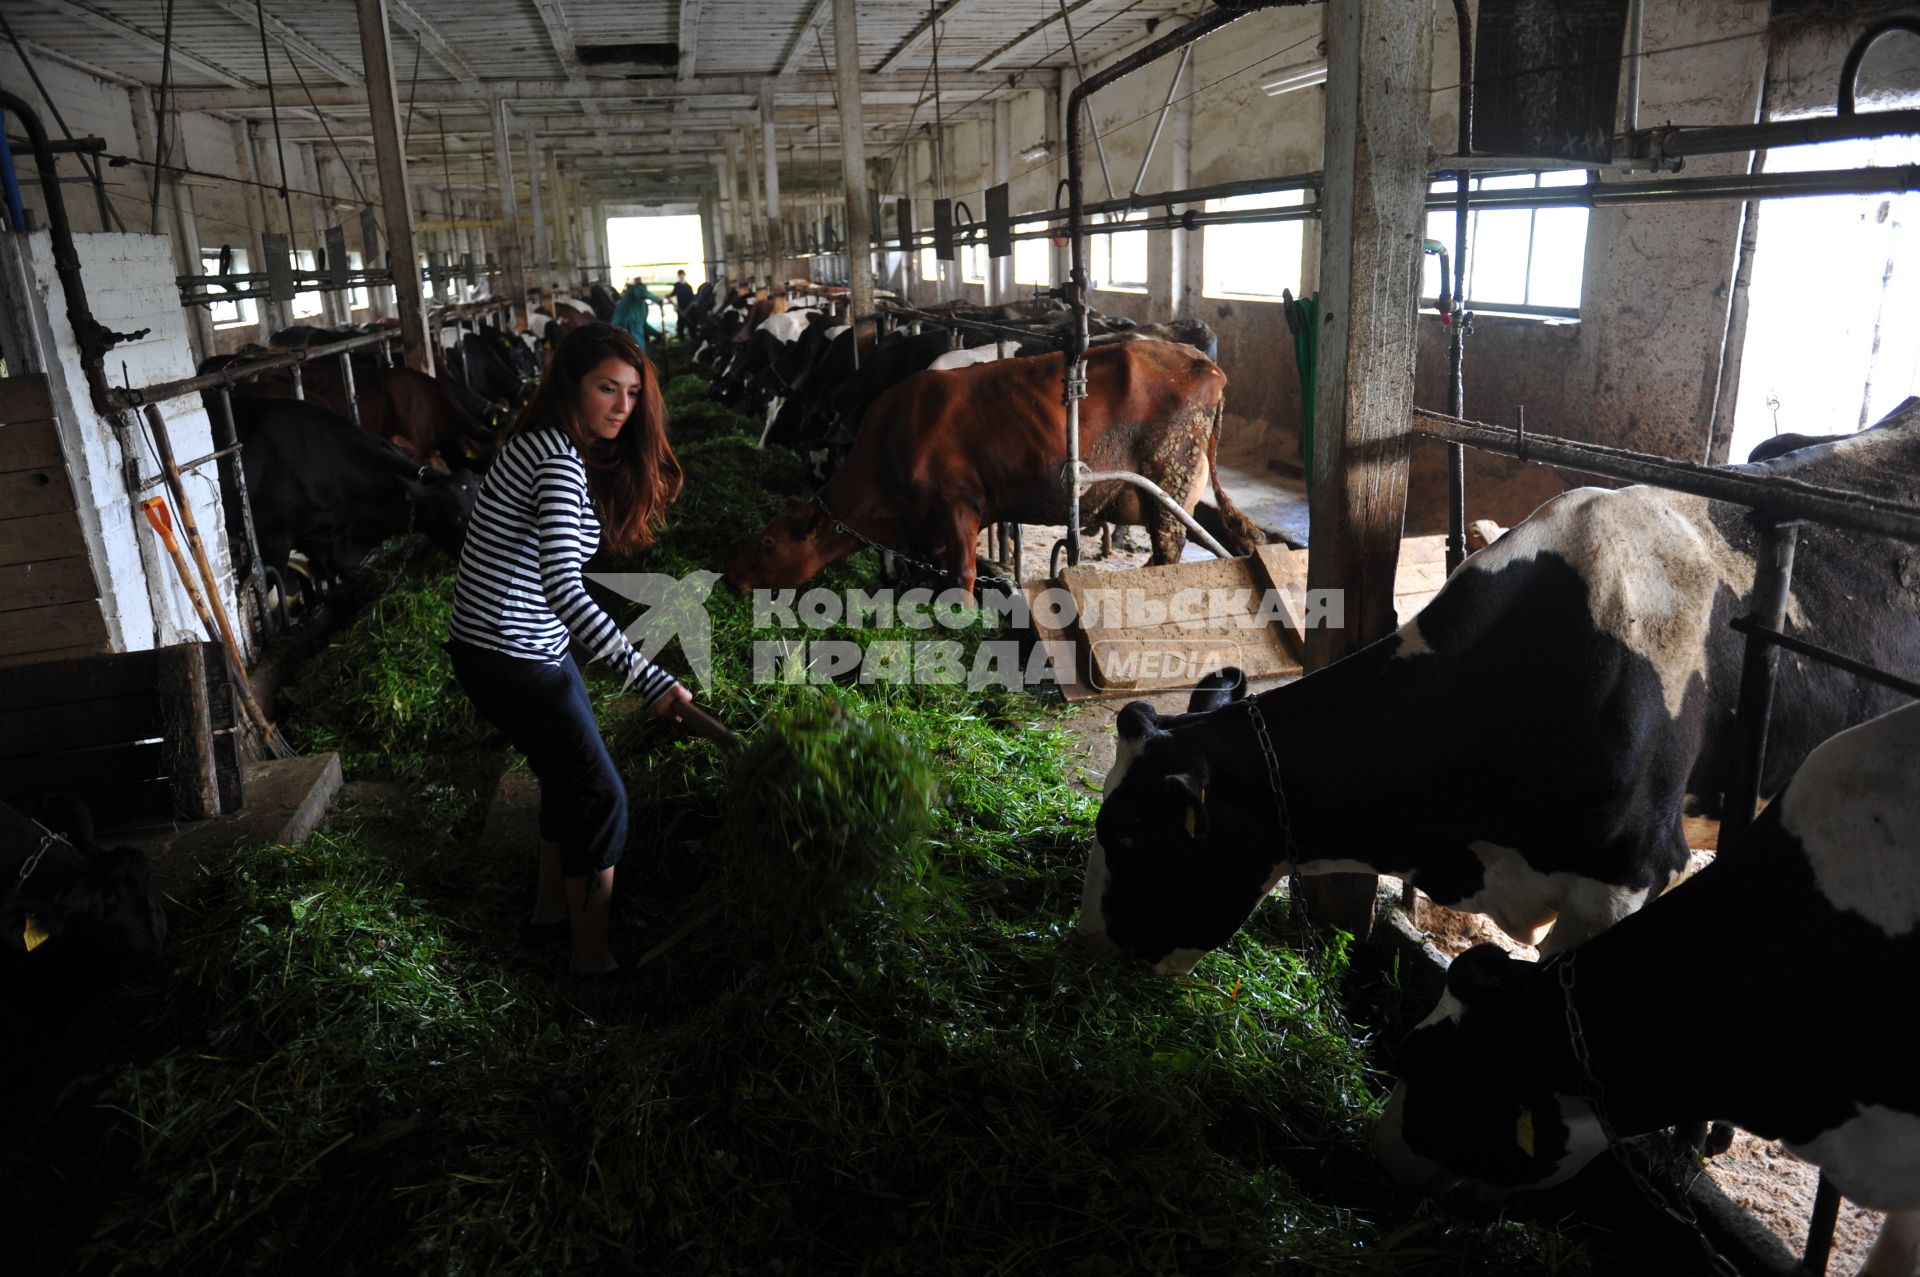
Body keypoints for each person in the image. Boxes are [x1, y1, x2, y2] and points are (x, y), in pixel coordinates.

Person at [446, 322, 695, 975]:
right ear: (571, 385)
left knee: (566, 775)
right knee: (602, 794)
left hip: (513, 645)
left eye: (633, 392)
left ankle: (549, 916)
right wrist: (649, 678)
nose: (622, 405)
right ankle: (593, 963)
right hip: (509, 653)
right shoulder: (556, 461)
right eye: (606, 388)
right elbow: (563, 586)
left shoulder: (545, 444)